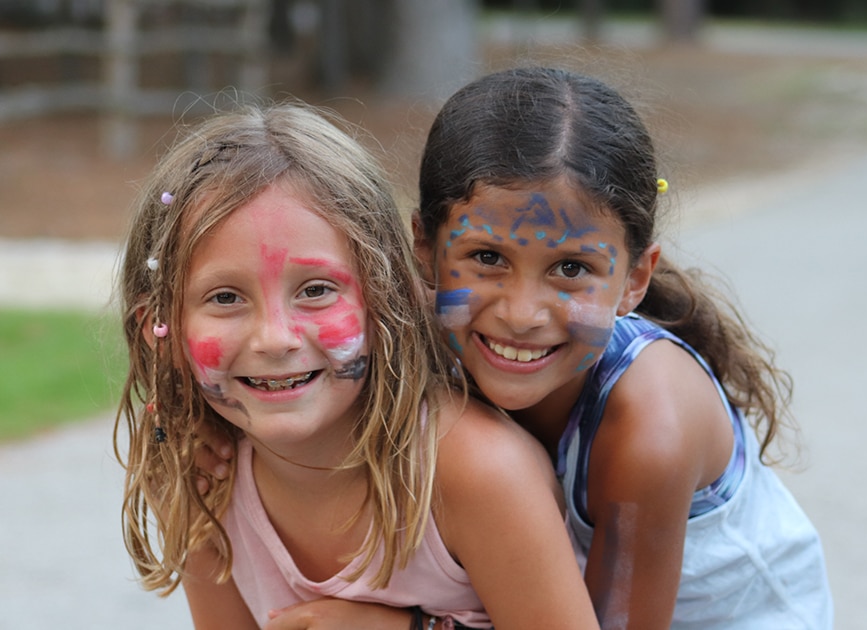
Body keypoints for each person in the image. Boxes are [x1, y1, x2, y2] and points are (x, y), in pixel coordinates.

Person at [197, 68, 834, 628]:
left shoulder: (650, 428)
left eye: (572, 269)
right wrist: (208, 424)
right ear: (424, 249)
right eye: (485, 258)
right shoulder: (416, 325)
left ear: (635, 278)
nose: (520, 313)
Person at [113, 102, 600, 630]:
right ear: (159, 329)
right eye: (226, 297)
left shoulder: (475, 473)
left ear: (387, 298)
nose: (275, 338)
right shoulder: (204, 476)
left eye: (317, 290)